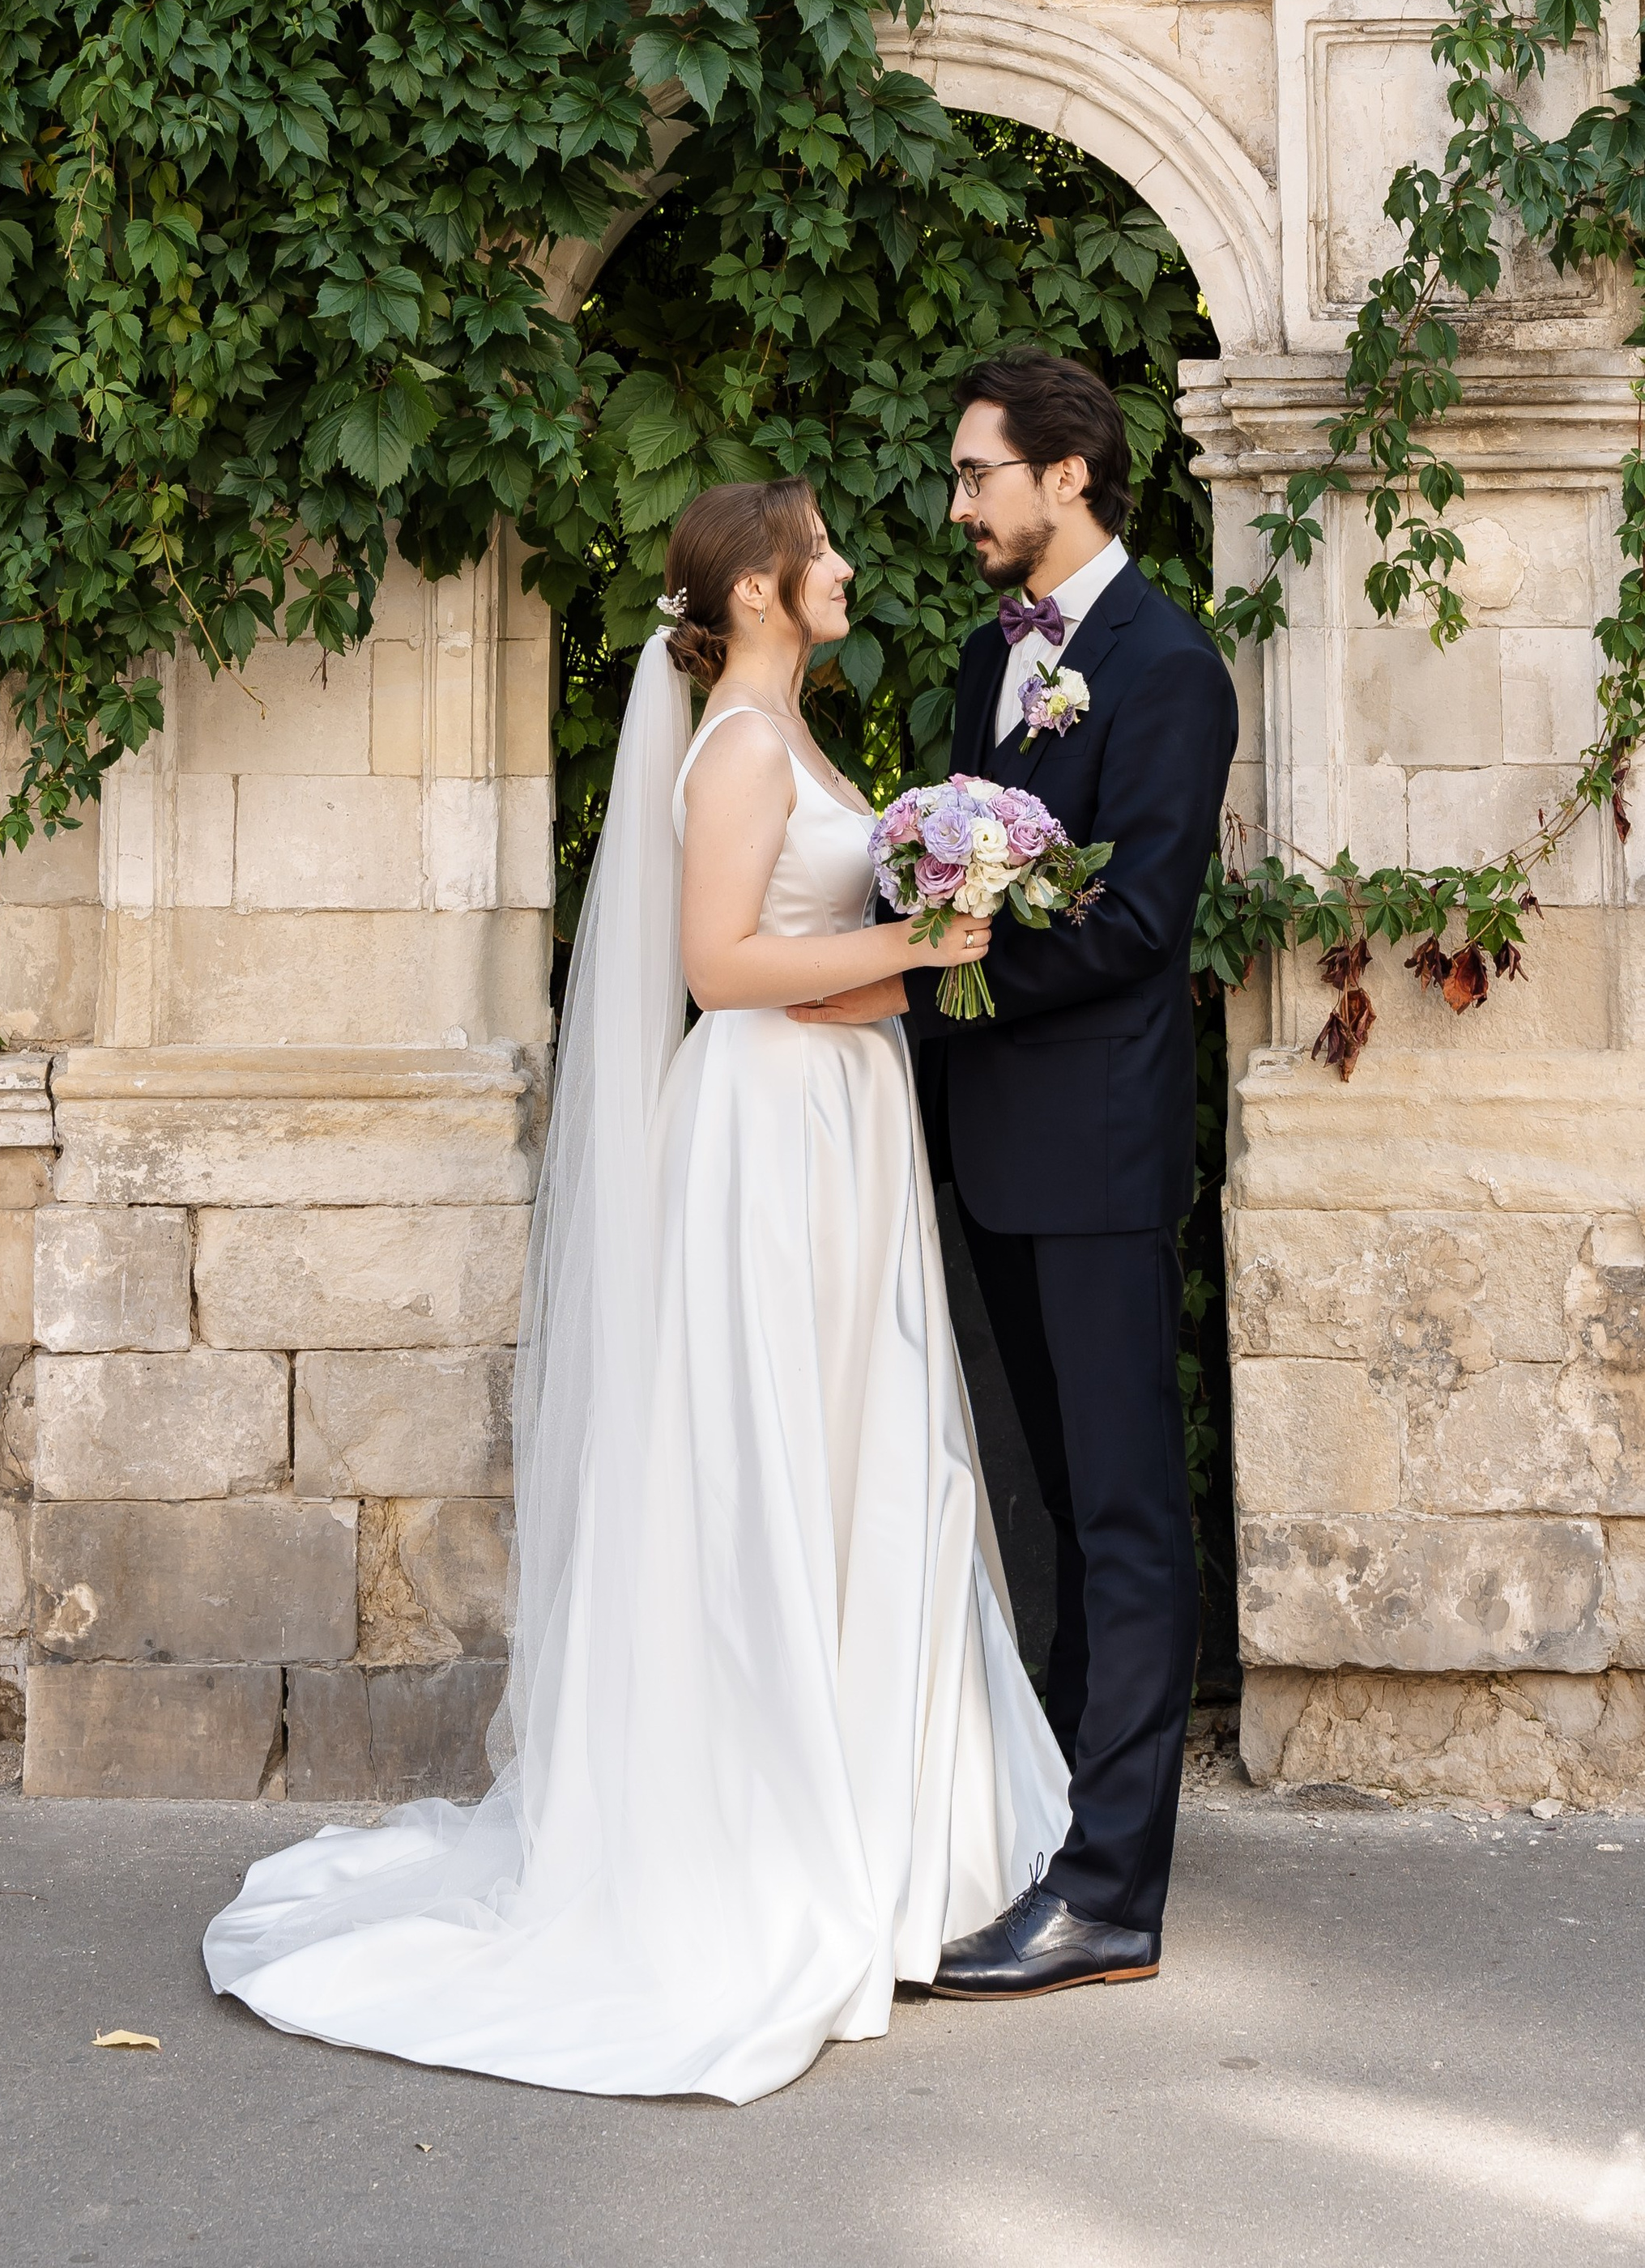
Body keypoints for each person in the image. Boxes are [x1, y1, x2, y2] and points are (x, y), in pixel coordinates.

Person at [202, 477, 1068, 2101]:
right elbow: (717, 968)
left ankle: (881, 1819)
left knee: (851, 1443)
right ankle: (765, 1827)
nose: (843, 566)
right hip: (766, 1132)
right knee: (768, 1452)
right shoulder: (736, 748)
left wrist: (914, 940)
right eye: (817, 551)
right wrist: (918, 951)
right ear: (751, 589)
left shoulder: (788, 730)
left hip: (834, 1121)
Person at [790, 349, 1237, 2001]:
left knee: (1125, 1514)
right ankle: (1055, 1822)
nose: (956, 502)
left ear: (1067, 475)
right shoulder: (1001, 655)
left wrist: (919, 983)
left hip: (1101, 1150)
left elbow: (1136, 926)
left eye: (977, 473)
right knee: (1058, 1503)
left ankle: (1112, 1893)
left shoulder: (1167, 667)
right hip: (996, 1148)